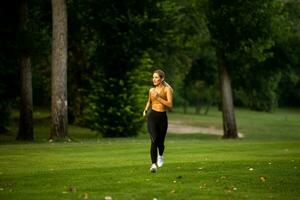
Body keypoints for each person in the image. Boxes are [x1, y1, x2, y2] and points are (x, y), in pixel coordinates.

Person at [143, 69, 173, 173]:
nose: (154, 79)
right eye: (153, 77)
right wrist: (145, 110)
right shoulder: (151, 90)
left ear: (162, 78)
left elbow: (170, 105)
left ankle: (160, 155)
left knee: (160, 142)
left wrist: (159, 98)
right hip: (152, 116)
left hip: (162, 117)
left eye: (156, 77)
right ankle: (153, 164)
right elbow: (149, 101)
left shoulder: (166, 90)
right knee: (154, 140)